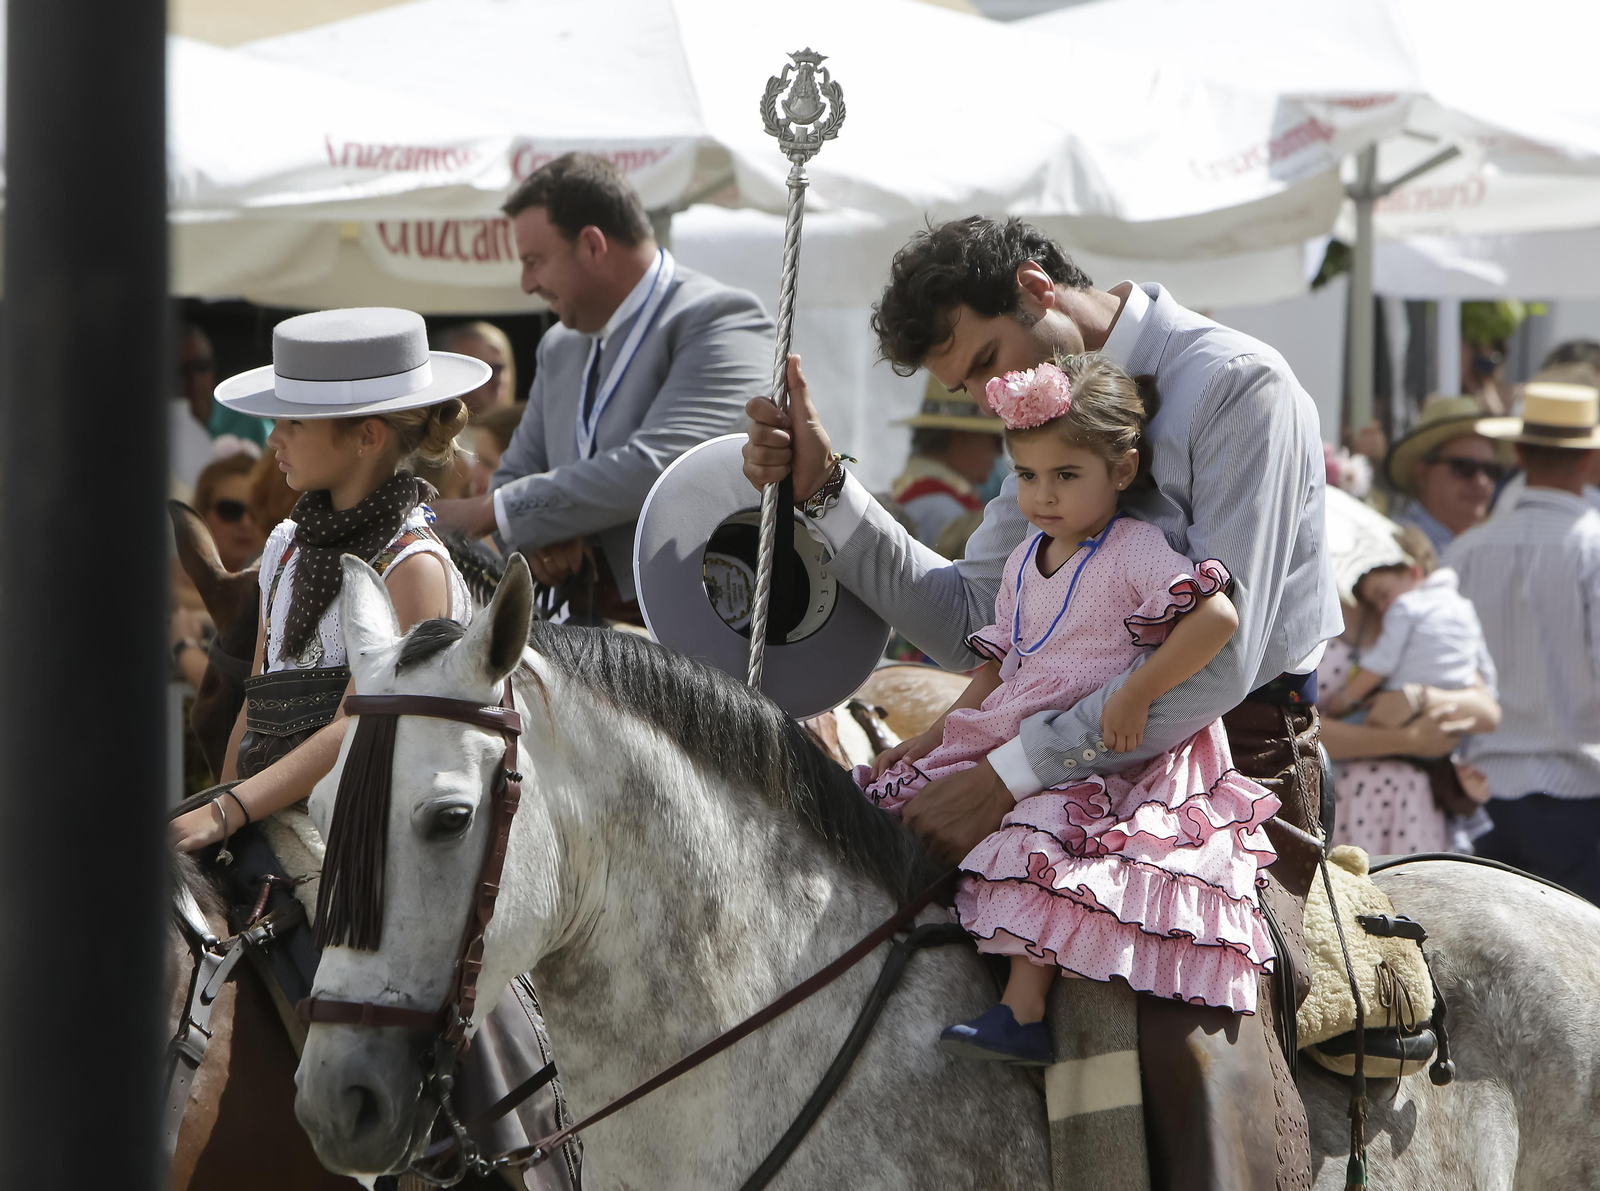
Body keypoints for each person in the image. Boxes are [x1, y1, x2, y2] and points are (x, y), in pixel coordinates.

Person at [745, 215, 1340, 1189]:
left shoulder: (1242, 384)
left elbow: (1221, 668)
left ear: (1037, 288)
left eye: (988, 359)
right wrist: (823, 490)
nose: (988, 399)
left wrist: (1005, 774)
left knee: (1166, 1016)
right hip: (1044, 762)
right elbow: (979, 618)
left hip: (1231, 766)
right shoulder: (1047, 412)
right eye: (966, 388)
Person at [861, 357, 1278, 1064]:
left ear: (1122, 470)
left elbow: (1217, 618)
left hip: (1101, 748)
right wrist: (936, 731)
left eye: (1065, 475)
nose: (1043, 495)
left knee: (1040, 836)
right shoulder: (1026, 557)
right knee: (898, 794)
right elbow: (1001, 659)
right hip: (1021, 718)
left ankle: (1022, 1010)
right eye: (1026, 476)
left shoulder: (1134, 549)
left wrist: (1137, 691)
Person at [431, 152, 773, 620]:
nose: (527, 283)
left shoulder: (721, 320)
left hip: (696, 634)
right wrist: (541, 530)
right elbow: (517, 473)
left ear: (592, 245)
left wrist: (492, 512)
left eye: (534, 261)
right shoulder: (559, 344)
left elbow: (661, 465)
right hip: (576, 636)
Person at [1448, 382, 1600, 902]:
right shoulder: (1593, 545)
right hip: (1579, 794)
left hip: (1483, 796)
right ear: (1589, 459)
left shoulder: (1465, 550)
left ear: (1518, 452)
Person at [892, 378, 1004, 554]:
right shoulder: (943, 510)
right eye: (996, 441)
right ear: (962, 437)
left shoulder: (923, 494)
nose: (1000, 454)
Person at [1382, 396, 1507, 553]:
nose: (1481, 481)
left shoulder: (1494, 550)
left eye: (1490, 469)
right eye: (1463, 467)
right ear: (1421, 473)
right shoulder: (1393, 548)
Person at [170, 322, 274, 494]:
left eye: (202, 366)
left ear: (214, 368)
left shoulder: (249, 419)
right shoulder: (152, 425)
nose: (193, 379)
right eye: (181, 370)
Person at [434, 319, 517, 420]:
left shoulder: (529, 431)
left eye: (499, 367)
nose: (497, 380)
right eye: (481, 371)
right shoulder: (436, 434)